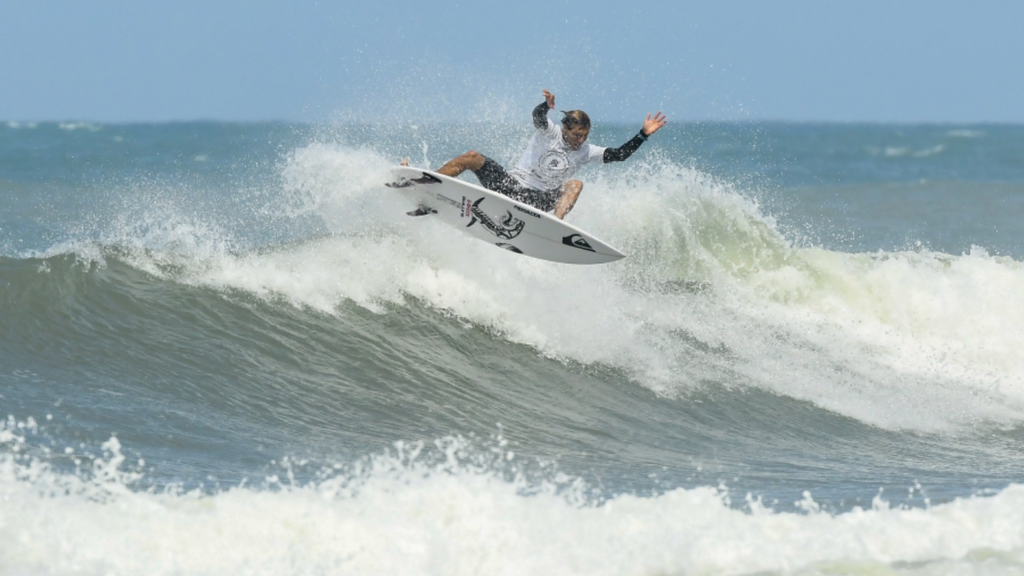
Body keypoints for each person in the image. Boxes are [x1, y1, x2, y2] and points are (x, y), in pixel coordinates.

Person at [433, 89, 667, 219]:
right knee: (472, 157)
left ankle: (556, 224)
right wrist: (546, 105)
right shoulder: (550, 132)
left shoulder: (587, 151)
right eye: (577, 135)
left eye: (584, 136)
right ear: (565, 128)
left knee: (575, 184)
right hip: (510, 187)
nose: (580, 140)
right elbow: (537, 117)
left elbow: (619, 154)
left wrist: (643, 134)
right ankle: (428, 182)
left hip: (539, 201)